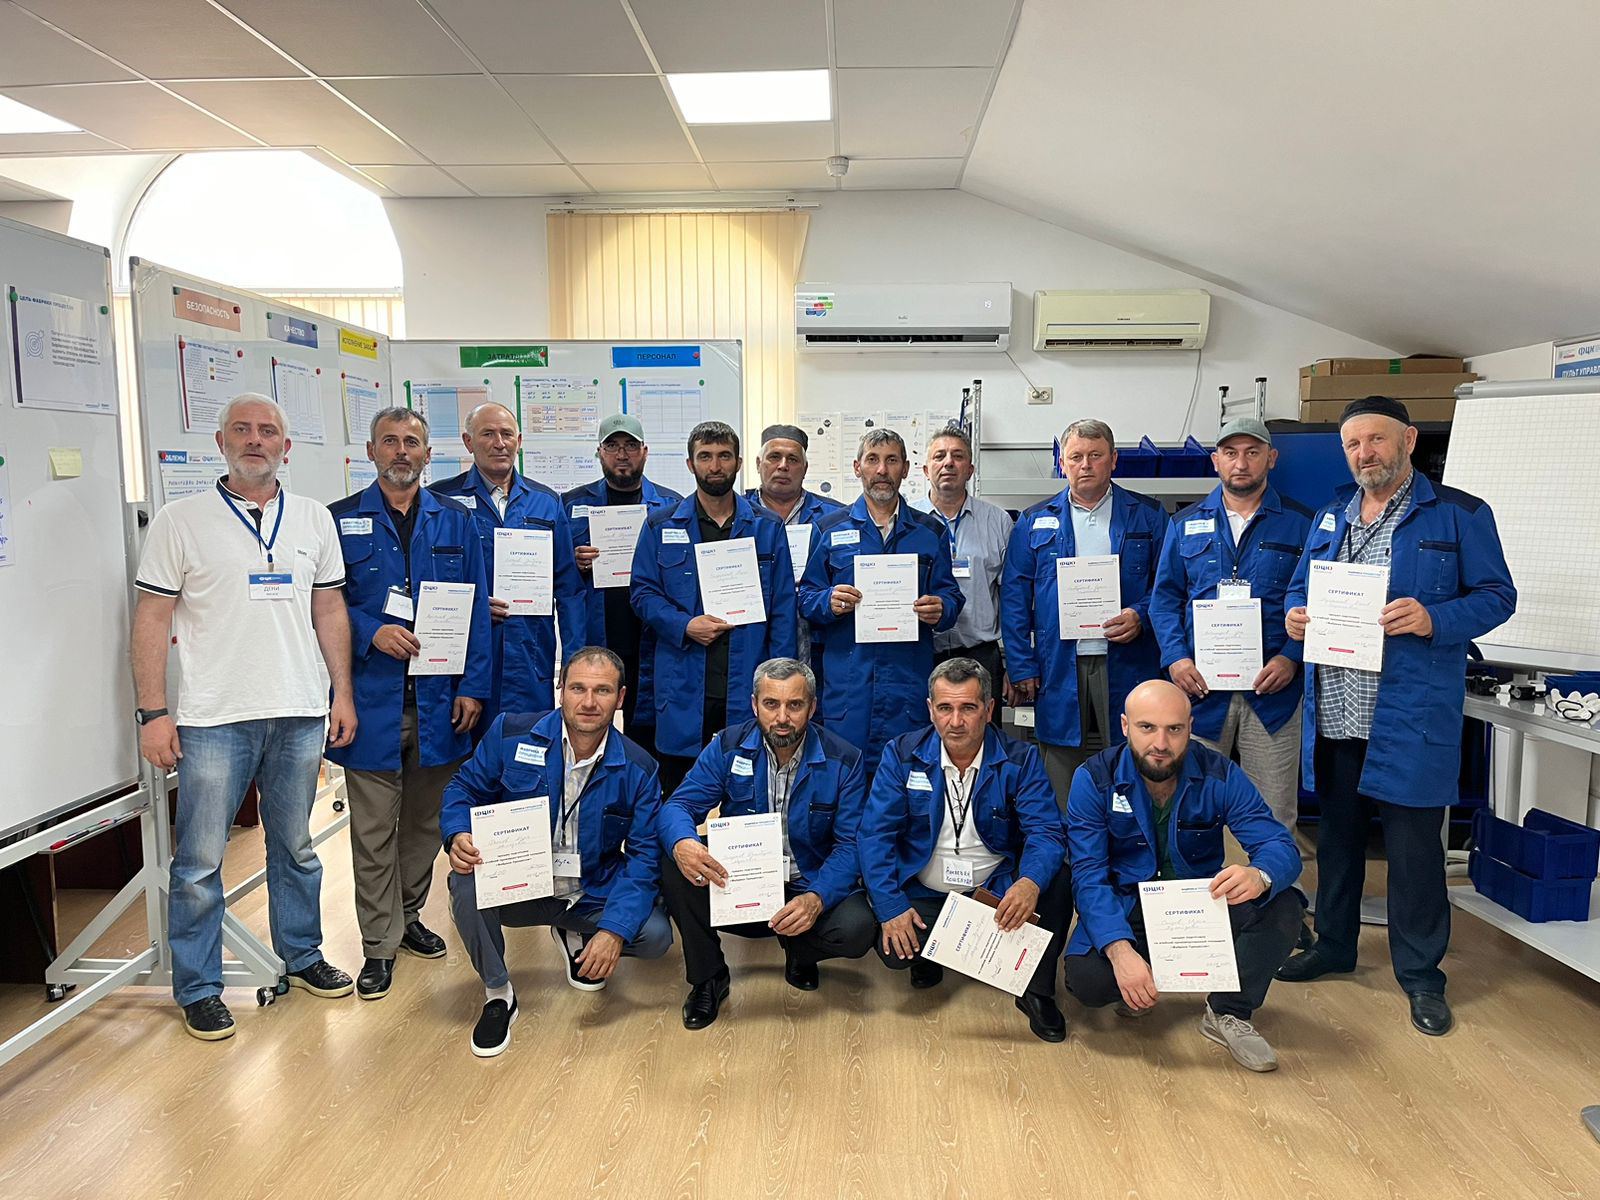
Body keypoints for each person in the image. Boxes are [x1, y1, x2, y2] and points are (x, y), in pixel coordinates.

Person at [1277, 396, 1516, 1037]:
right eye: (1353, 444)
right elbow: (1301, 586)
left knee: (1414, 854)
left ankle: (1421, 974)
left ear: (1408, 440)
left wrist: (1435, 617)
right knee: (1338, 841)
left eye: (1377, 440)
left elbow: (1498, 596)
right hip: (1337, 709)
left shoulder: (1459, 513)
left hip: (1408, 714)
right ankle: (1335, 945)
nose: (1365, 454)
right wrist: (1296, 614)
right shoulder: (1331, 512)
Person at [132, 393, 357, 1041]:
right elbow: (151, 619)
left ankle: (303, 955)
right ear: (221, 441)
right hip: (214, 717)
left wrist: (341, 694)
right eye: (242, 429)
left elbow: (329, 610)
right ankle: (199, 988)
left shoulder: (313, 518)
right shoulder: (180, 521)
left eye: (268, 431)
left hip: (299, 710)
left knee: (297, 848)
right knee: (200, 862)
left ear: (286, 445)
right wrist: (153, 712)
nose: (255, 440)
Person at [327, 406, 492, 1002]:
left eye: (412, 442)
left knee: (425, 823)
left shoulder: (456, 520)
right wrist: (371, 629)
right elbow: (323, 603)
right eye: (390, 441)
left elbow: (476, 607)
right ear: (371, 451)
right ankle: (378, 944)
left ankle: (408, 915)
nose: (401, 451)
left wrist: (473, 686)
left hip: (440, 699)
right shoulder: (339, 520)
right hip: (371, 700)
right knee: (374, 829)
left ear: (428, 454)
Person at [439, 647, 672, 1057]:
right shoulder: (510, 734)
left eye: (602, 691)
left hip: (588, 889)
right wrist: (457, 833)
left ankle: (575, 930)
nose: (588, 702)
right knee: (466, 884)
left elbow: (643, 860)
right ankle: (498, 992)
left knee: (654, 937)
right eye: (578, 688)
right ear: (561, 689)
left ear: (620, 697)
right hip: (518, 887)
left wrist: (613, 931)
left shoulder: (640, 768)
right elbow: (463, 788)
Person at [1064, 681, 1305, 1072]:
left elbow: (1279, 845)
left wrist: (1260, 874)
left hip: (1200, 907)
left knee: (1284, 904)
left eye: (1174, 729)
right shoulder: (1094, 778)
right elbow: (1088, 875)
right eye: (1147, 728)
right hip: (1127, 907)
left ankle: (1228, 1012)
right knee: (1088, 982)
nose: (1161, 743)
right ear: (1125, 726)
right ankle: (1142, 975)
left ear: (1190, 727)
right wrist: (1120, 952)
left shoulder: (1220, 773)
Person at [857, 659, 1074, 1043]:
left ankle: (1037, 991)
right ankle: (930, 957)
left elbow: (1046, 832)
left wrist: (1028, 882)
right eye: (945, 708)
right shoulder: (901, 755)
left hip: (992, 892)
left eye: (968, 708)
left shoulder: (1020, 759)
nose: (955, 721)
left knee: (1056, 878)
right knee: (893, 953)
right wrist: (890, 907)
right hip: (925, 892)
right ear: (930, 709)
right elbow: (875, 835)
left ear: (989, 710)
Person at [659, 657, 877, 1029]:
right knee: (673, 861)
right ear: (754, 704)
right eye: (771, 704)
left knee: (858, 928)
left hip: (806, 882)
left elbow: (850, 845)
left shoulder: (845, 759)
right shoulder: (727, 746)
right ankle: (709, 977)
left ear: (812, 707)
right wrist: (683, 842)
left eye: (795, 705)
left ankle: (800, 951)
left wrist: (817, 898)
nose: (782, 717)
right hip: (740, 881)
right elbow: (678, 806)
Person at [1148, 416, 1314, 835]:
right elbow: (1165, 600)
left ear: (1271, 459)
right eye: (1230, 453)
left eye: (1252, 452)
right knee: (1190, 810)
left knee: (1274, 813)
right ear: (1215, 460)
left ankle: (1273, 880)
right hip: (1200, 694)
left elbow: (1315, 601)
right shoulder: (1183, 523)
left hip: (1273, 695)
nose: (1241, 463)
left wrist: (1291, 658)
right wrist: (1176, 659)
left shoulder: (1302, 524)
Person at [1001, 418, 1170, 807]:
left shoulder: (1149, 516)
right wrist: (1022, 665)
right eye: (1076, 457)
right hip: (1059, 663)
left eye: (1095, 455)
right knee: (1061, 763)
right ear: (1062, 463)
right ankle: (1066, 843)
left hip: (1128, 659)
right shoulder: (1034, 520)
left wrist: (1141, 615)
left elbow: (1168, 586)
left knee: (1132, 753)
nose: (1085, 465)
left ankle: (1130, 837)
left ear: (1114, 459)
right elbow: (1014, 596)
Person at [630, 421, 796, 793]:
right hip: (684, 683)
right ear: (690, 464)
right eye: (705, 456)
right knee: (679, 795)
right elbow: (642, 593)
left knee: (747, 793)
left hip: (747, 681)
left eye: (724, 456)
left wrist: (781, 681)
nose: (715, 466)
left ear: (739, 463)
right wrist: (684, 625)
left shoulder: (767, 527)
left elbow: (784, 608)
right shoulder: (660, 526)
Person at [798, 428, 964, 770]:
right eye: (873, 460)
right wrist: (828, 601)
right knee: (845, 780)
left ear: (905, 469)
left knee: (907, 778)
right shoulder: (829, 528)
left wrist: (941, 608)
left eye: (891, 461)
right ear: (857, 467)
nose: (882, 470)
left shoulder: (930, 531)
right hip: (850, 688)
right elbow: (806, 598)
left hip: (908, 684)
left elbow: (950, 595)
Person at [429, 401, 585, 726]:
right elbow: (426, 579)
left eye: (507, 434)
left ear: (519, 441)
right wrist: (471, 607)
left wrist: (575, 658)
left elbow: (569, 590)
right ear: (468, 442)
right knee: (466, 747)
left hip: (529, 657)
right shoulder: (441, 502)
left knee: (527, 745)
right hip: (464, 657)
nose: (499, 443)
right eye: (488, 434)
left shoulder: (546, 502)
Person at [561, 414, 682, 754]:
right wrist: (573, 560)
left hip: (652, 641)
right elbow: (557, 575)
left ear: (645, 452)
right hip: (595, 637)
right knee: (587, 732)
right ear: (599, 452)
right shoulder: (571, 504)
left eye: (631, 445)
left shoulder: (672, 506)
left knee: (648, 738)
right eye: (612, 446)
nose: (622, 454)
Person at [909, 424, 1014, 727]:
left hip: (981, 655)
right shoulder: (907, 521)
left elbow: (1012, 598)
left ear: (970, 469)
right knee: (922, 740)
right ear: (925, 470)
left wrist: (1013, 664)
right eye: (939, 456)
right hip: (921, 655)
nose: (948, 463)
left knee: (982, 739)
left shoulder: (998, 521)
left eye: (957, 456)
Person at [745, 423, 843, 675]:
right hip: (754, 642)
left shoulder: (835, 518)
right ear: (758, 463)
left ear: (805, 468)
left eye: (793, 459)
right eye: (774, 457)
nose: (783, 466)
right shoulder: (737, 515)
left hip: (819, 643)